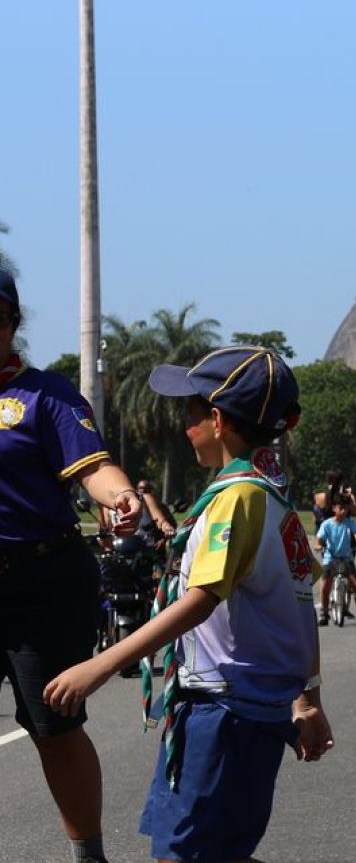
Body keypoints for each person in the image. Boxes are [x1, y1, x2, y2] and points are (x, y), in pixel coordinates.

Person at [45, 344, 331, 863]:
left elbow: (200, 602)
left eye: (190, 414)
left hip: (224, 712)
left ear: (217, 420)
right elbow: (301, 604)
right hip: (240, 710)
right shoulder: (271, 496)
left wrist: (102, 664)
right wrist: (307, 698)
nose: (185, 426)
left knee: (187, 855)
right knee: (211, 849)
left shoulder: (237, 500)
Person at [0, 270, 143, 863]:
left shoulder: (45, 394)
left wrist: (120, 496)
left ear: (8, 323)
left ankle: (90, 856)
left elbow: (92, 467)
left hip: (43, 583)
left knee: (52, 726)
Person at [313, 494, 356, 625]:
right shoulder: (326, 524)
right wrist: (318, 546)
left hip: (346, 558)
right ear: (334, 508)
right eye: (341, 508)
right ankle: (324, 613)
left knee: (355, 585)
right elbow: (319, 540)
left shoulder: (350, 523)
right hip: (330, 558)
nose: (344, 511)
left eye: (346, 508)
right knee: (325, 585)